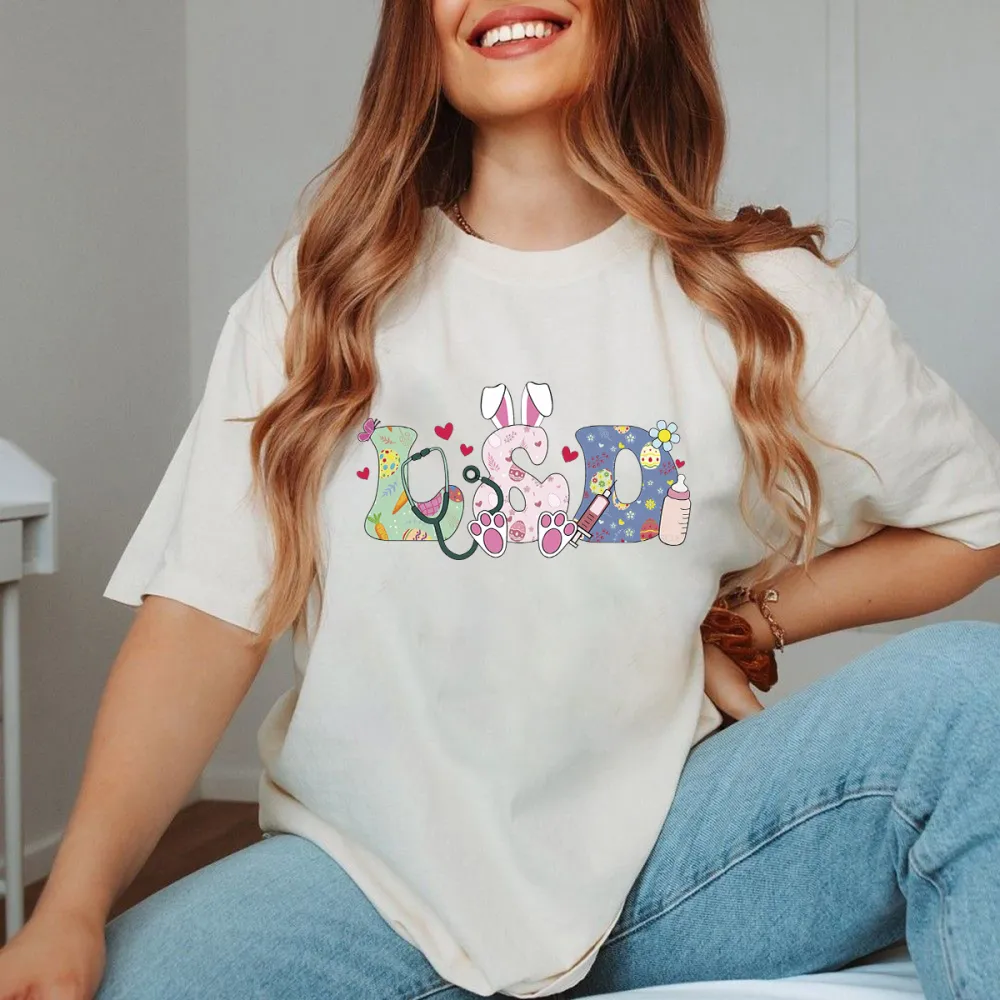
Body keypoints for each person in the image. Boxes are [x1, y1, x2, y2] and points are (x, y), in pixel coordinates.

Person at [2, 1, 999, 998]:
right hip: (368, 883)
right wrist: (70, 907)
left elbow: (976, 519)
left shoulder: (760, 299)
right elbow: (204, 621)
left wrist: (749, 619)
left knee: (971, 691)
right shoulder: (322, 294)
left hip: (675, 862)